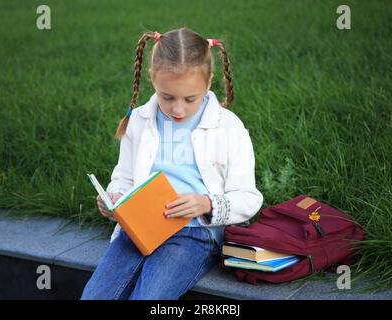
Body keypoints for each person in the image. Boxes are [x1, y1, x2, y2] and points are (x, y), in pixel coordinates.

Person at [81, 27, 263, 300]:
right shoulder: (141, 120)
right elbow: (124, 178)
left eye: (190, 99)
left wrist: (207, 203)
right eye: (167, 97)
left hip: (194, 233)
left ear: (209, 81)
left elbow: (248, 198)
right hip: (141, 229)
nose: (178, 110)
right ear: (153, 79)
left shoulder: (228, 127)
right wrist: (115, 198)